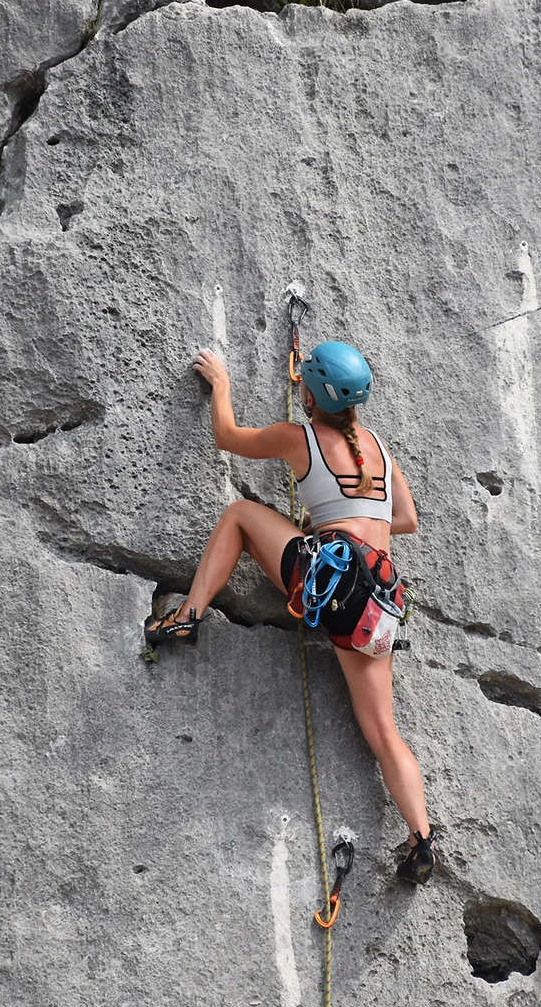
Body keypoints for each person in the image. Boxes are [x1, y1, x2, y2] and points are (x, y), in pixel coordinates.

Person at [144, 341, 436, 885]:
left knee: (238, 515)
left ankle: (187, 613)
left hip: (326, 582)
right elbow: (407, 519)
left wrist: (222, 385)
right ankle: (421, 838)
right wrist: (349, 518)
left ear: (310, 394)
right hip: (374, 606)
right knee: (382, 730)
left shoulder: (299, 438)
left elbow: (226, 438)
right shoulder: (378, 447)